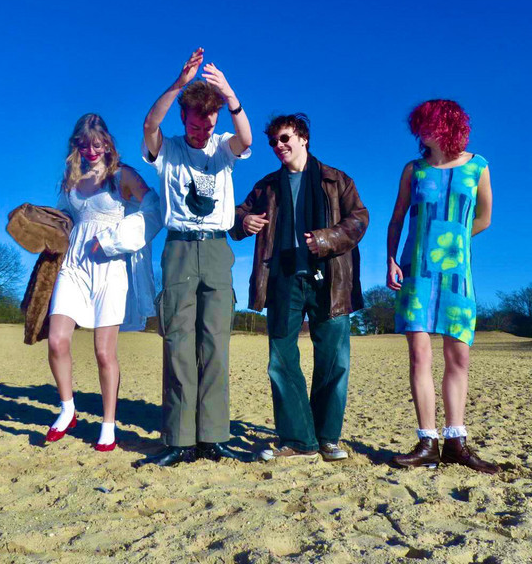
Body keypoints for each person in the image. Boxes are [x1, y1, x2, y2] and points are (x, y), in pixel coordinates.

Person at [135, 48, 252, 467]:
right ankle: (179, 439)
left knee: (216, 344)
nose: (203, 131)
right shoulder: (166, 150)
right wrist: (178, 84)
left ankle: (213, 437)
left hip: (218, 250)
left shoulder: (223, 147)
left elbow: (246, 139)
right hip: (180, 249)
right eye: (196, 123)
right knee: (178, 343)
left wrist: (231, 96)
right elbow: (150, 125)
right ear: (183, 118)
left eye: (210, 124)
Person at [231, 113, 368, 461]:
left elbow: (358, 221)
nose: (278, 146)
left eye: (285, 138)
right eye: (273, 141)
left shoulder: (337, 180)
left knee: (334, 360)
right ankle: (298, 440)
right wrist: (244, 220)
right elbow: (234, 217)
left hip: (331, 279)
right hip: (282, 279)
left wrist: (324, 239)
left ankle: (327, 438)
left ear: (303, 138)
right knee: (281, 360)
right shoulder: (266, 186)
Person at [386, 99, 499, 474]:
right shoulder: (414, 170)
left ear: (449, 125)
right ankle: (427, 443)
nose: (421, 131)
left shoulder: (478, 166)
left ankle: (455, 442)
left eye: (428, 124)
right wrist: (391, 259)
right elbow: (397, 218)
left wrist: (454, 239)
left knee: (458, 356)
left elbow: (484, 217)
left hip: (456, 273)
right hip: (416, 270)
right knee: (419, 356)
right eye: (419, 125)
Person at [47, 113, 161, 451]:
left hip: (110, 270)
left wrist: (113, 239)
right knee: (56, 341)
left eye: (97, 144)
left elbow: (154, 210)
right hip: (73, 267)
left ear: (108, 143)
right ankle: (68, 409)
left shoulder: (122, 176)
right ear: (76, 146)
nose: (91, 151)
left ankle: (108, 423)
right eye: (84, 145)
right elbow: (62, 220)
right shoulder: (71, 180)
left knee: (103, 352)